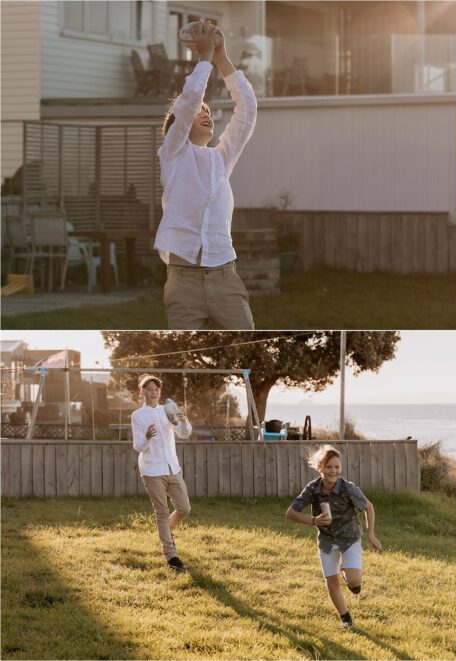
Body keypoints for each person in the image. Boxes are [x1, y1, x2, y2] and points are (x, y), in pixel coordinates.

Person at [156, 20, 257, 329]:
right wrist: (202, 59)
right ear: (178, 127)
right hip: (183, 282)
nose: (204, 114)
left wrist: (221, 58)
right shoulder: (173, 155)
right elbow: (186, 105)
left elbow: (247, 109)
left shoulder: (220, 159)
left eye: (209, 113)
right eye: (200, 111)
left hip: (225, 277)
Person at [286, 445, 382, 629]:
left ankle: (348, 575)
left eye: (337, 467)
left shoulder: (348, 488)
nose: (333, 471)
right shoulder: (312, 489)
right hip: (327, 541)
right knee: (331, 582)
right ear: (320, 468)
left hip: (349, 537)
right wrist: (314, 520)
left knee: (354, 582)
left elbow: (368, 507)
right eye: (329, 467)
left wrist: (371, 535)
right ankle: (346, 620)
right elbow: (290, 513)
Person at [130, 375, 192, 572]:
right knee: (161, 512)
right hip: (152, 470)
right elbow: (138, 446)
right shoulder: (137, 416)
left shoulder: (168, 411)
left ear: (159, 392)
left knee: (184, 508)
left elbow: (184, 434)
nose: (153, 392)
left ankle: (167, 529)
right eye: (149, 389)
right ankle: (172, 557)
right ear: (142, 392)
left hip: (172, 468)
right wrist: (147, 437)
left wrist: (183, 421)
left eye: (156, 389)